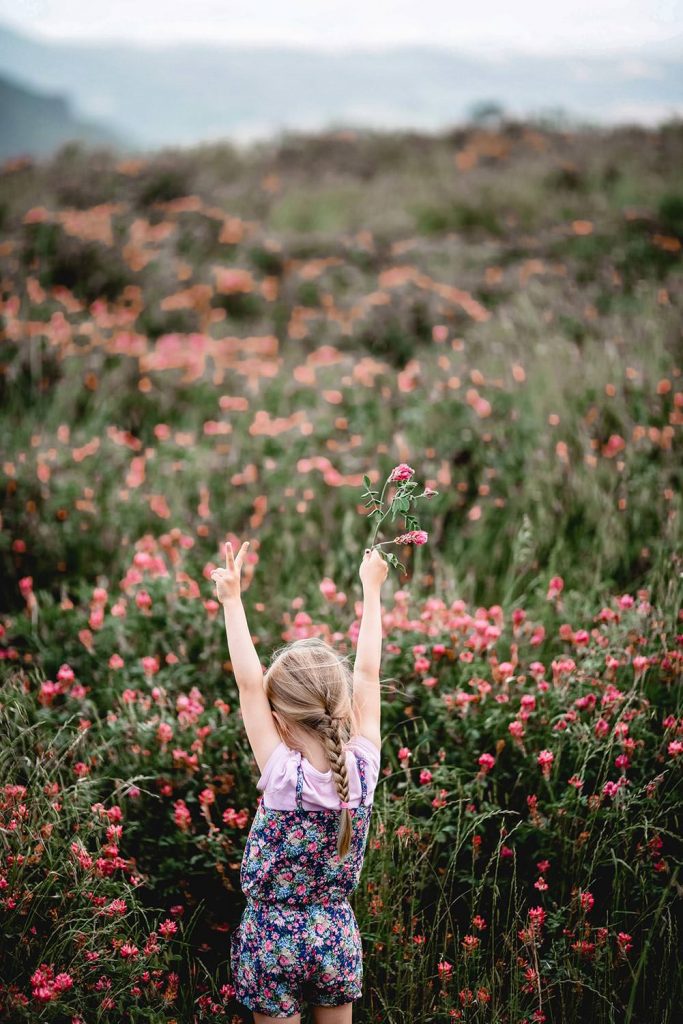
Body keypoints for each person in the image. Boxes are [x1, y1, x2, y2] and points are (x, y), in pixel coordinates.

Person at [211, 542, 388, 1023]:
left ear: (278, 719)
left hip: (273, 939)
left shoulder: (282, 775)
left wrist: (232, 600)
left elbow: (248, 682)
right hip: (335, 933)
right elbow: (369, 673)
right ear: (344, 706)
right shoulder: (364, 770)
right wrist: (372, 589)